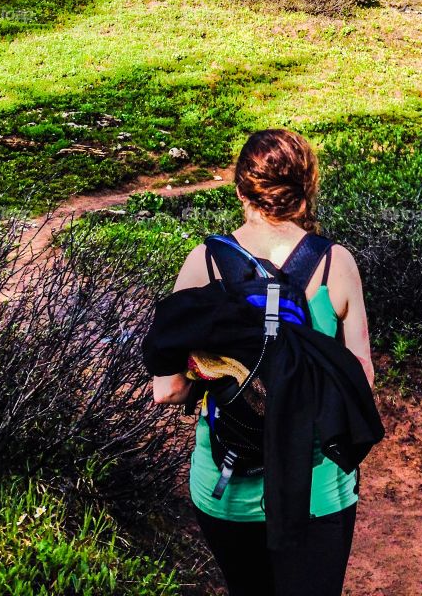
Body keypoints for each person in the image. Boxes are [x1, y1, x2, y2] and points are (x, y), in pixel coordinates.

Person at [152, 129, 374, 596]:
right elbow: (361, 380)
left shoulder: (205, 263)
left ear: (240, 191)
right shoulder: (337, 265)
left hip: (226, 484)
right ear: (308, 190)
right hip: (317, 489)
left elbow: (167, 388)